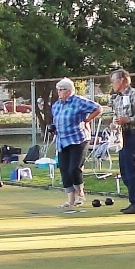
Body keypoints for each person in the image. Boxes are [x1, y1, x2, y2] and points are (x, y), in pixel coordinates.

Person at [52, 78, 102, 209]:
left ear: (69, 91)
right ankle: (70, 199)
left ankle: (80, 193)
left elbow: (97, 108)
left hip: (78, 138)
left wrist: (87, 121)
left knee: (74, 168)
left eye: (62, 89)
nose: (59, 92)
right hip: (62, 141)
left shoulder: (79, 101)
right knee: (63, 169)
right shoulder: (56, 105)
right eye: (58, 89)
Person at [109, 69, 135, 214]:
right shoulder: (116, 98)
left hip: (133, 134)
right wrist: (114, 124)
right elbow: (116, 116)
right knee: (124, 170)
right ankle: (133, 201)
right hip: (121, 136)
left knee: (131, 170)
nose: (112, 84)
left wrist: (128, 120)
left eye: (113, 81)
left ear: (122, 80)